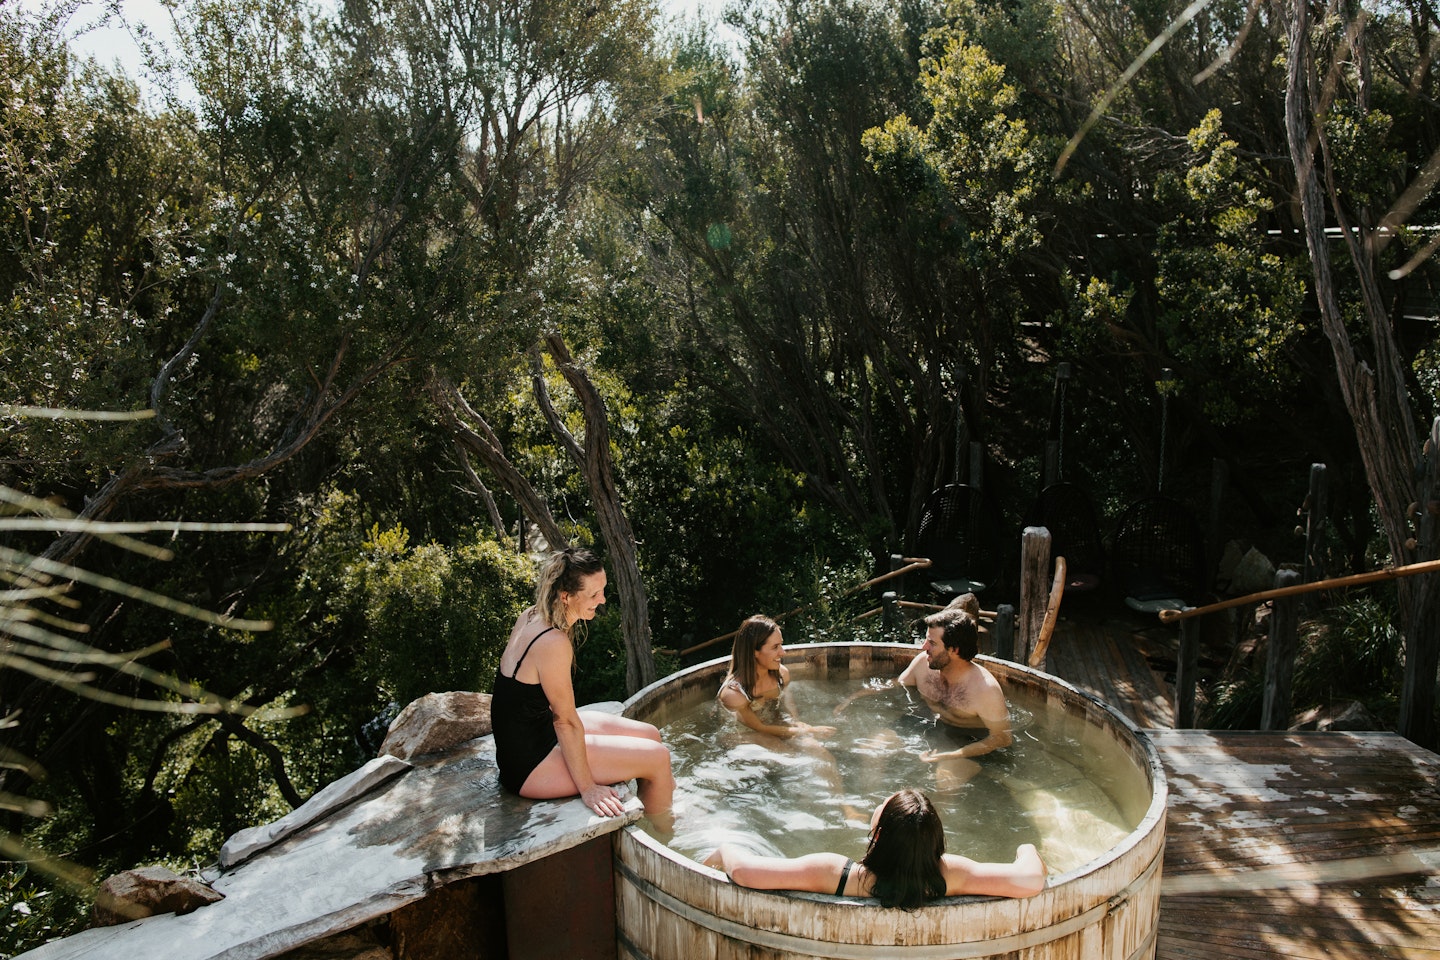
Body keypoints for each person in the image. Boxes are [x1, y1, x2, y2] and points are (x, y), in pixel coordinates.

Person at [491, 546, 675, 825]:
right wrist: (588, 787)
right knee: (658, 758)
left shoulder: (532, 614)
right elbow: (565, 721)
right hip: (528, 764)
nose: (602, 600)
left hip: (537, 734)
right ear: (565, 596)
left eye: (603, 590)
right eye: (593, 594)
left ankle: (656, 804)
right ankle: (665, 832)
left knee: (651, 735)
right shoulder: (552, 642)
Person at [702, 788, 1045, 907]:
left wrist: (725, 849)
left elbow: (745, 872)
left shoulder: (835, 873)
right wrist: (1026, 847)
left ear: (878, 834)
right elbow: (1030, 880)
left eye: (883, 804)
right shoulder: (949, 874)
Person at [833, 606, 1010, 788]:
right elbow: (893, 685)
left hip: (965, 737)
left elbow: (1002, 738)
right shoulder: (923, 664)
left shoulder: (985, 690)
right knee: (871, 749)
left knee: (945, 780)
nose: (924, 647)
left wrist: (951, 755)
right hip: (925, 720)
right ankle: (872, 799)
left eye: (932, 643)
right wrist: (851, 699)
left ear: (954, 650)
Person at [717, 615, 835, 739]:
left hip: (776, 726)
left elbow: (789, 712)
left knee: (821, 754)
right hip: (744, 736)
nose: (783, 652)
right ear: (754, 651)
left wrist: (799, 726)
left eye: (781, 645)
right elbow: (759, 728)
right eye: (775, 647)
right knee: (787, 754)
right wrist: (808, 731)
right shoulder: (734, 694)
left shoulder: (782, 675)